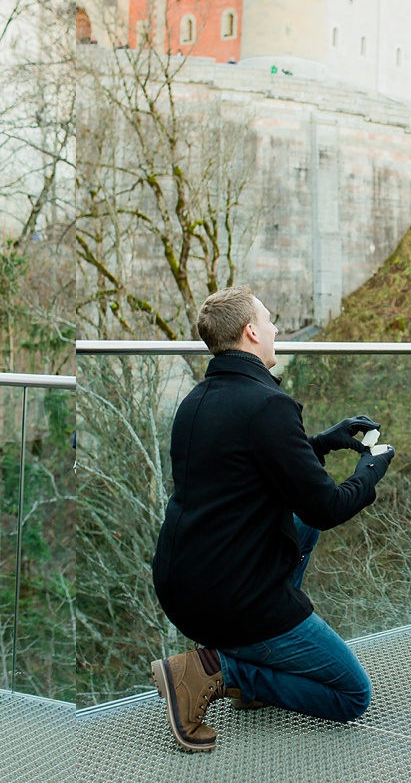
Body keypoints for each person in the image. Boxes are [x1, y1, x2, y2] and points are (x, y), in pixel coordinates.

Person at [149, 286, 396, 753]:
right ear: (250, 331)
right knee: (351, 695)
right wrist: (370, 469)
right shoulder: (267, 405)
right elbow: (327, 505)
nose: (276, 328)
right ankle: (220, 672)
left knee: (303, 523)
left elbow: (251, 470)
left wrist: (321, 442)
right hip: (235, 600)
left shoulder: (196, 402)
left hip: (184, 584)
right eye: (269, 320)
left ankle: (255, 668)